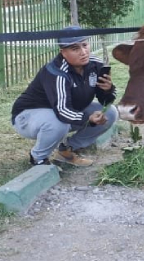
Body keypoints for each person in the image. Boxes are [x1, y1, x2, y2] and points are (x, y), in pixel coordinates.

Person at [12, 26, 119, 166]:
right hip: (28, 116)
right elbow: (62, 111)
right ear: (63, 52)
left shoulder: (95, 64)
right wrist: (88, 118)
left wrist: (108, 90)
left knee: (110, 113)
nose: (83, 52)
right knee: (58, 123)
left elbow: (105, 101)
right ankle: (38, 157)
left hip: (63, 111)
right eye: (75, 49)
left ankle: (67, 149)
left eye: (85, 45)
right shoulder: (56, 72)